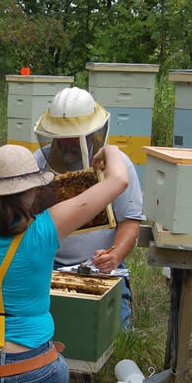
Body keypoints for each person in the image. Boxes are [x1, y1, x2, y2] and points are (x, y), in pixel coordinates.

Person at [0, 144, 128, 383]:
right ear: (30, 190)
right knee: (58, 378)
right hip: (33, 373)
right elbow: (119, 179)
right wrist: (110, 149)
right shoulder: (47, 226)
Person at [33, 87, 145, 330]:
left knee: (111, 331)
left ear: (94, 133)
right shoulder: (38, 162)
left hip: (98, 266)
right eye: (62, 135)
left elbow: (130, 222)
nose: (67, 143)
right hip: (46, 261)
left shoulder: (118, 166)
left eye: (75, 136)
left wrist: (114, 255)